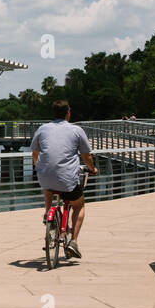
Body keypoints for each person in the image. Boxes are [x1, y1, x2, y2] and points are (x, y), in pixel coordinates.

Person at [31, 100, 98, 258]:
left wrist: (39, 166)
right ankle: (73, 241)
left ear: (53, 113)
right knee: (79, 206)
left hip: (45, 176)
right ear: (68, 113)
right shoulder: (76, 130)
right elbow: (86, 156)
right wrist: (92, 168)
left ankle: (48, 214)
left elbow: (34, 152)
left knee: (49, 184)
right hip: (67, 180)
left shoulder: (42, 129)